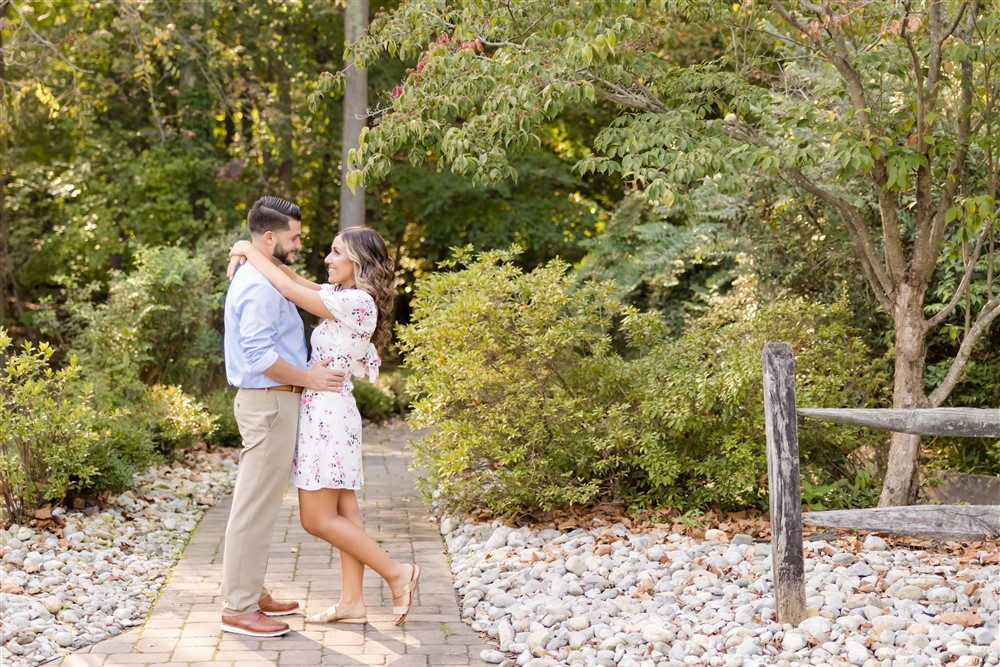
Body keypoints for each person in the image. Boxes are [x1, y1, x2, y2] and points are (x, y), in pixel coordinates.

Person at [228, 226, 420, 627]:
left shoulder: (357, 302)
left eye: (336, 253)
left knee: (315, 519)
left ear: (358, 263)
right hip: (330, 411)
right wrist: (253, 250)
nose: (327, 260)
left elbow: (286, 286)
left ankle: (397, 573)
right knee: (346, 513)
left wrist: (247, 247)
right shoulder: (340, 296)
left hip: (328, 416)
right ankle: (352, 602)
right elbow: (295, 279)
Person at [221, 197, 347, 638]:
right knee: (253, 505)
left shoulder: (263, 273)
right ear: (270, 237)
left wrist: (246, 247)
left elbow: (295, 284)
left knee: (262, 503)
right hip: (269, 401)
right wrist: (310, 379)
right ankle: (237, 607)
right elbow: (259, 355)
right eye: (293, 238)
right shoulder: (256, 284)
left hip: (275, 402)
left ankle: (250, 592)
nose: (299, 245)